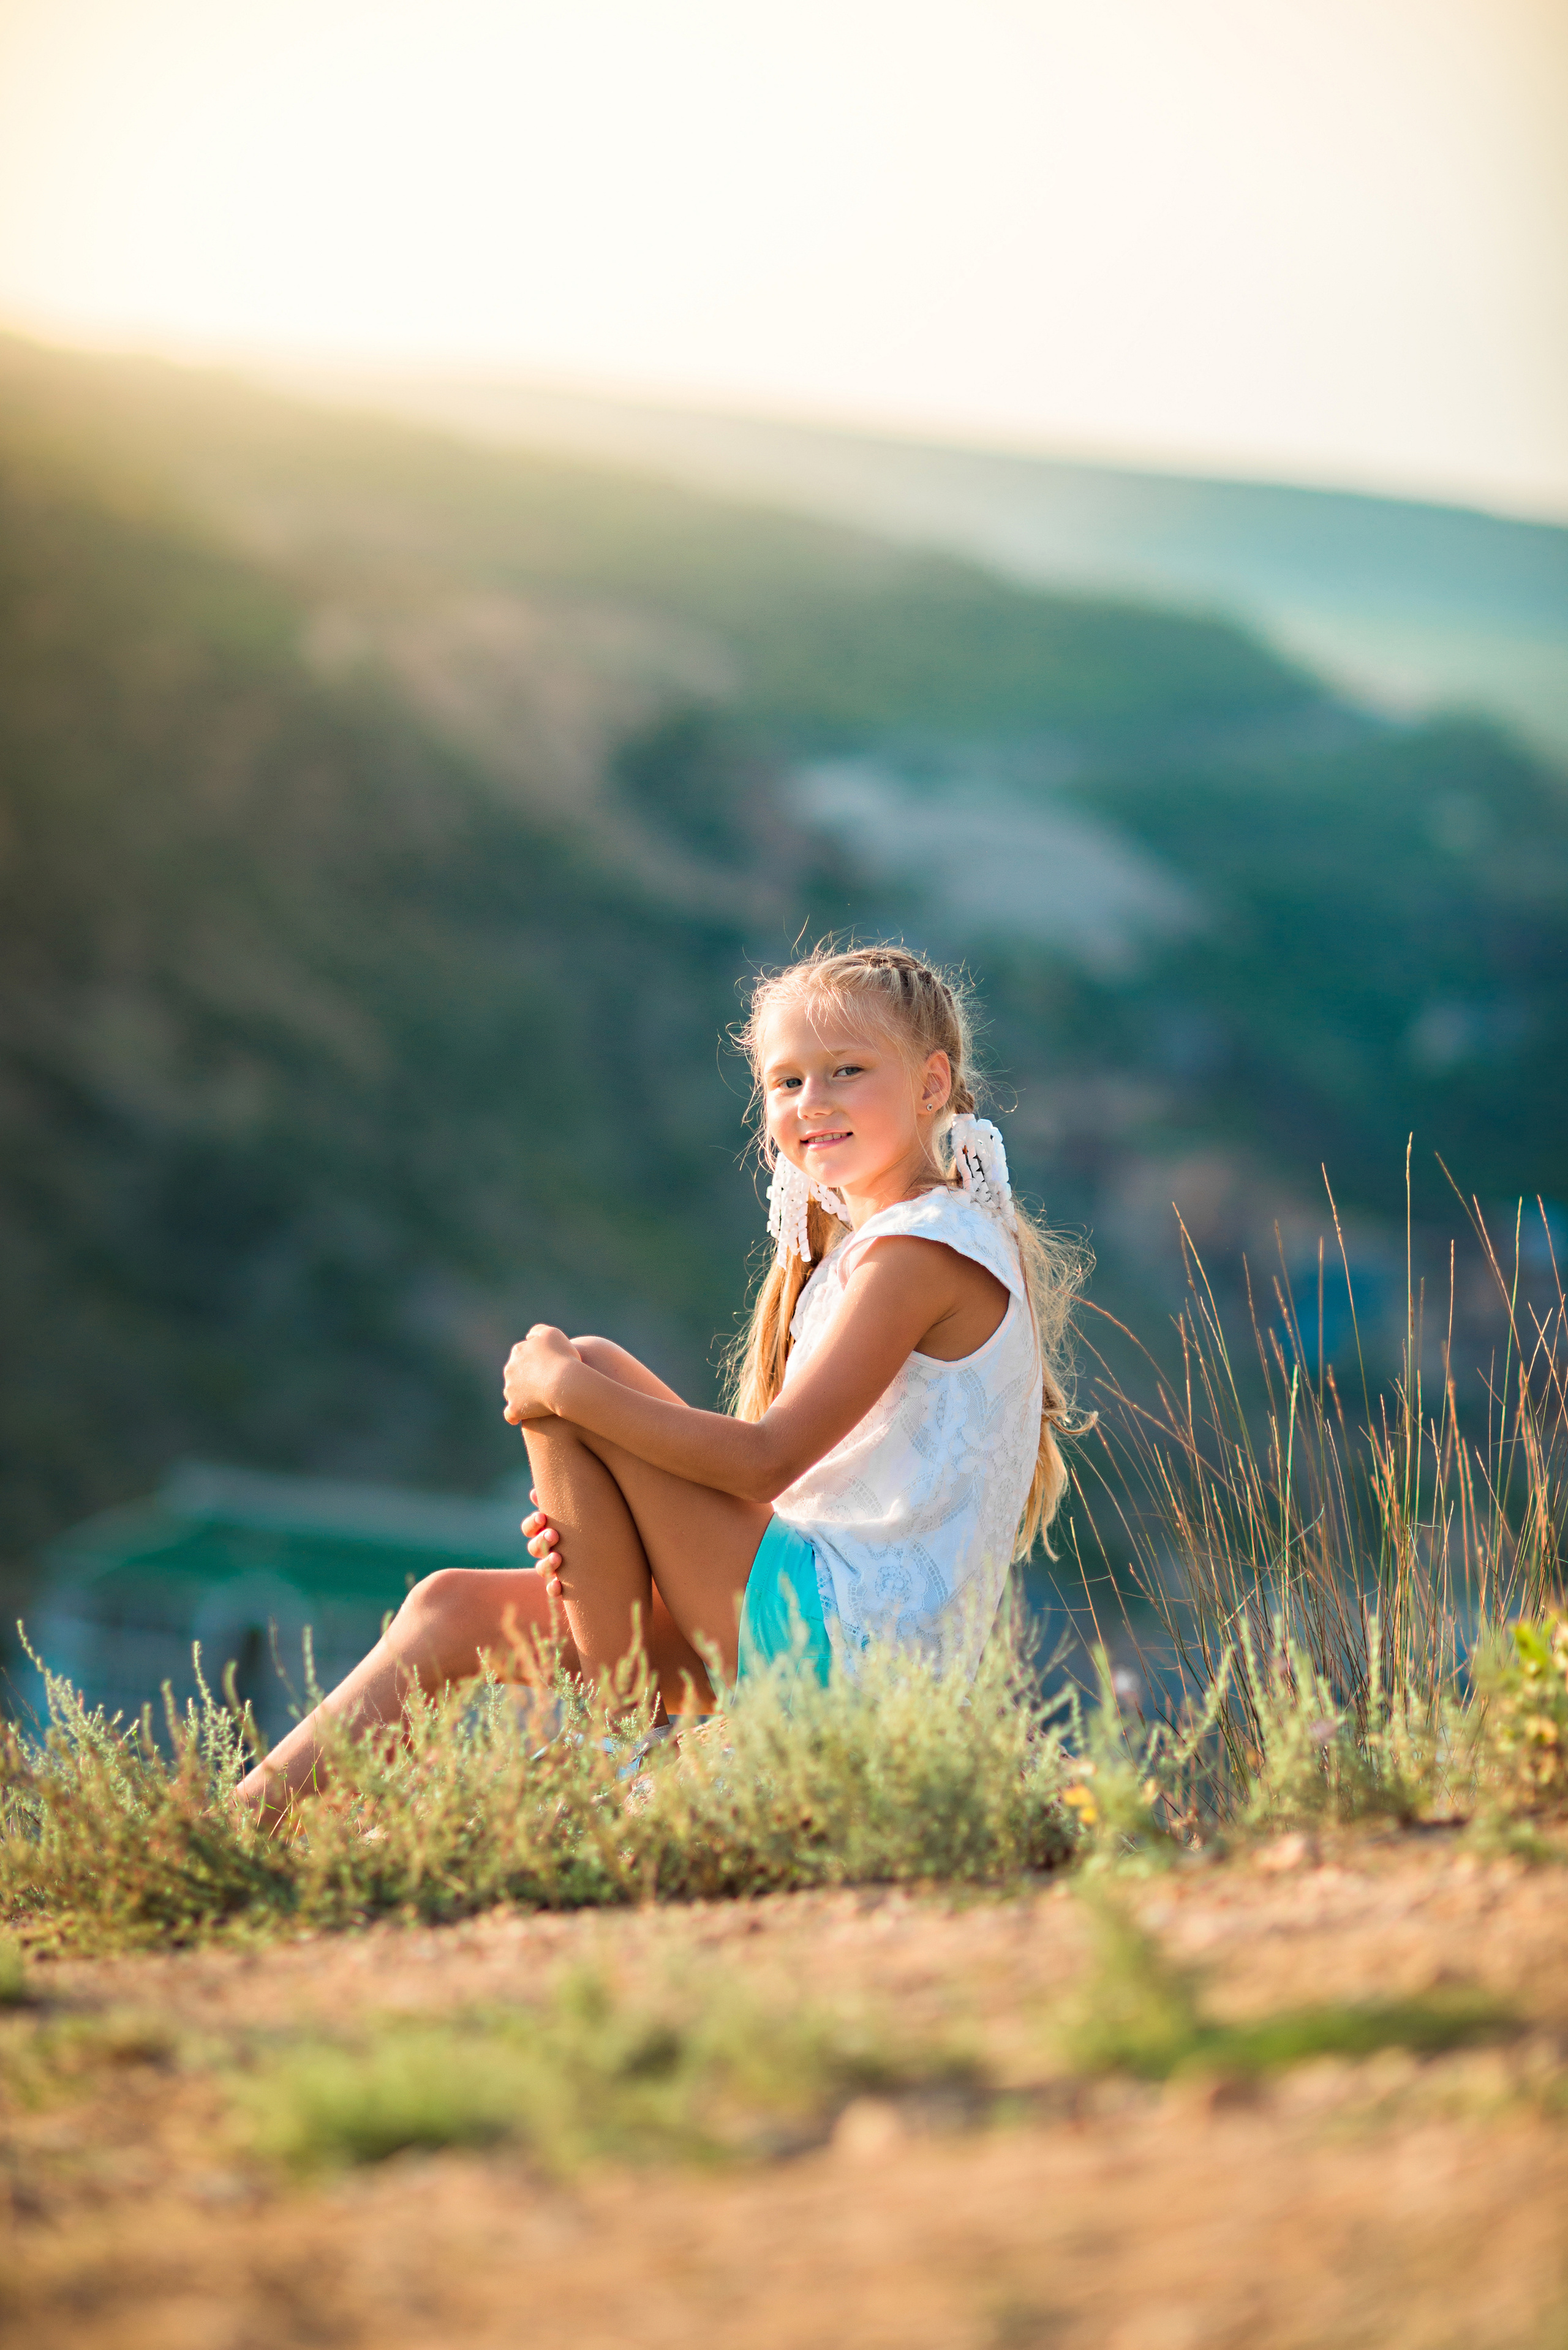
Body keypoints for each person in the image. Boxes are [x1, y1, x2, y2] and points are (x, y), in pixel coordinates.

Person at [235, 944, 1082, 1823]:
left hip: (850, 1650)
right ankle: (235, 1832)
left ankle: (618, 1742)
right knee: (449, 1607)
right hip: (815, 1630)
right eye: (785, 1083)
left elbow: (762, 1462)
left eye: (846, 1071)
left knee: (578, 1366)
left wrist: (561, 1389)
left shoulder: (918, 1253)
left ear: (932, 1084)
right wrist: (598, 1527)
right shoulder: (884, 1247)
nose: (812, 1103)